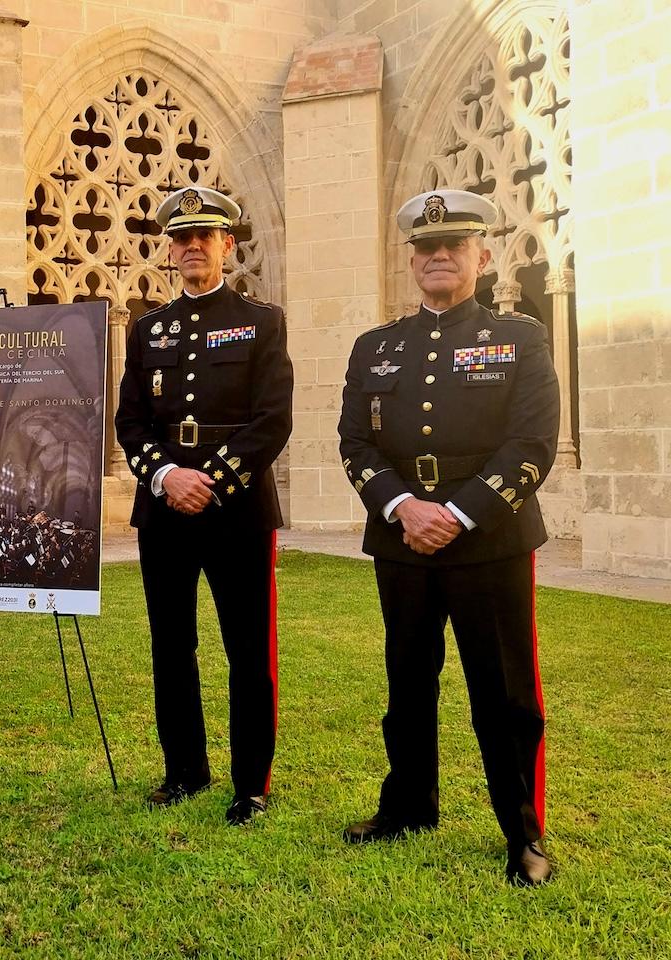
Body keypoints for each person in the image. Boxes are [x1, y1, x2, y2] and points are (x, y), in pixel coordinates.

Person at [337, 189, 560, 886]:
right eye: (426, 249)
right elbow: (354, 442)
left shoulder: (518, 337)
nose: (438, 257)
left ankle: (523, 834)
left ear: (481, 257)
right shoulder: (376, 347)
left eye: (454, 247)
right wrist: (403, 506)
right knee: (407, 682)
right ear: (411, 262)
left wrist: (457, 514)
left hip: (488, 538)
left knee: (504, 692)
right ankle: (407, 806)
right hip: (401, 538)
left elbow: (532, 442)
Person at [115, 187, 294, 824]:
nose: (193, 246)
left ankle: (252, 784)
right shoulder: (147, 329)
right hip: (163, 510)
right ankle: (184, 769)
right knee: (172, 644)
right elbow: (129, 422)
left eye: (206, 236)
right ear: (170, 249)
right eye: (182, 237)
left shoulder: (262, 321)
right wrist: (166, 476)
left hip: (238, 510)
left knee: (248, 649)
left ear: (227, 245)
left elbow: (273, 421)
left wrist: (209, 480)